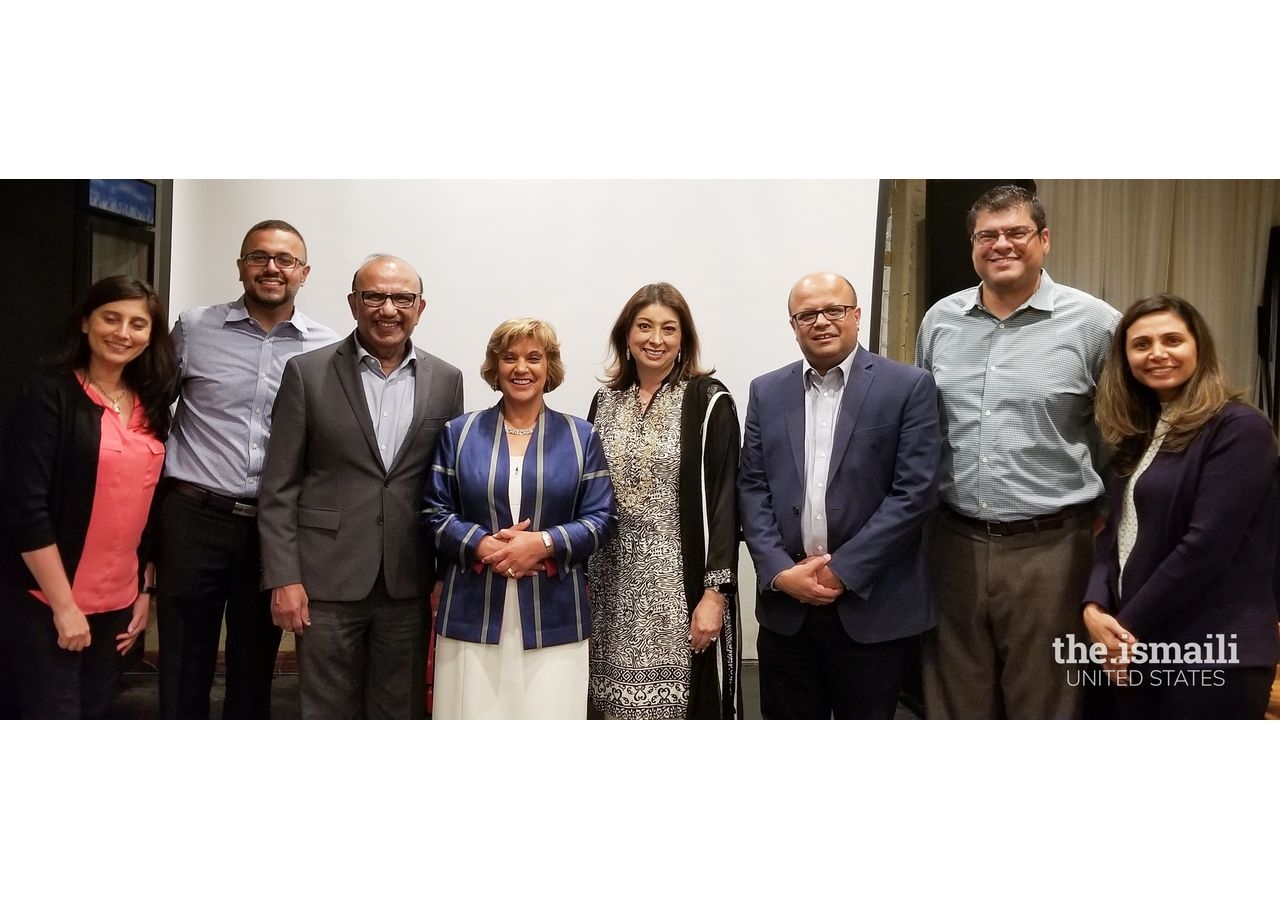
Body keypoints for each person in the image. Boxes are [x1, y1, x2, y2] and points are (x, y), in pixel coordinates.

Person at [915, 184, 1121, 719]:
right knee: (953, 701)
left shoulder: (1095, 322)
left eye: (1016, 232)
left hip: (1052, 548)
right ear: (972, 245)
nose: (1001, 244)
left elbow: (1124, 432)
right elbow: (925, 426)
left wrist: (1105, 509)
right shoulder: (940, 321)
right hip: (953, 543)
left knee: (1045, 704)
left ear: (1044, 239)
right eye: (988, 235)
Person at [259, 254, 463, 719]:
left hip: (408, 581)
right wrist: (284, 579)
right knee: (328, 710)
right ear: (353, 303)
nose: (387, 309)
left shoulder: (446, 381)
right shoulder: (307, 373)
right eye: (374, 296)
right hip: (324, 580)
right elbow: (279, 487)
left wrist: (442, 574)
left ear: (420, 306)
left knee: (399, 710)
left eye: (401, 298)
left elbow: (446, 487)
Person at [156, 219, 339, 719]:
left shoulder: (326, 347)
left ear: (304, 272)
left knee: (254, 666)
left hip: (272, 526)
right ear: (241, 267)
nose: (271, 268)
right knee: (182, 661)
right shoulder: (195, 328)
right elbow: (152, 405)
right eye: (259, 257)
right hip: (194, 516)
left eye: (285, 260)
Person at [739, 272, 940, 719]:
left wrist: (843, 571)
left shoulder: (907, 386)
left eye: (833, 310)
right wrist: (777, 571)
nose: (821, 322)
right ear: (793, 325)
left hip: (874, 607)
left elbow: (915, 493)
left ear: (856, 315)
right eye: (807, 314)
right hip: (787, 612)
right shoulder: (766, 391)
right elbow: (752, 488)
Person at [1082, 294, 1280, 718]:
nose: (1157, 354)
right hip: (1139, 646)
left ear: (1198, 347)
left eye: (1172, 340)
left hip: (1213, 651)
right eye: (1141, 344)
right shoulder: (1140, 433)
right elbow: (1113, 535)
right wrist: (1094, 607)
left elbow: (1204, 548)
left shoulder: (1240, 428)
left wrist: (1124, 630)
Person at [1, 276, 176, 718]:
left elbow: (151, 507)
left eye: (138, 324)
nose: (123, 332)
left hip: (117, 603)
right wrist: (64, 608)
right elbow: (26, 508)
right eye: (111, 318)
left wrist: (143, 591)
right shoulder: (49, 394)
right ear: (85, 322)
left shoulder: (151, 404)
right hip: (46, 602)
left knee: (95, 718)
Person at [422, 318, 614, 719]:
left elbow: (600, 518)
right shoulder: (459, 432)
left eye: (533, 357)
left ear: (550, 368)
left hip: (554, 613)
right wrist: (482, 543)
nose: (521, 368)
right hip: (472, 612)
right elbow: (434, 512)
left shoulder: (581, 437)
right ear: (495, 367)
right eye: (509, 358)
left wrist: (542, 544)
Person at [587, 283, 742, 719]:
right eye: (644, 326)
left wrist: (715, 594)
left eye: (669, 329)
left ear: (684, 339)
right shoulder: (605, 401)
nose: (656, 339)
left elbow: (726, 502)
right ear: (626, 335)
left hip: (678, 586)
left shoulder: (708, 400)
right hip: (609, 586)